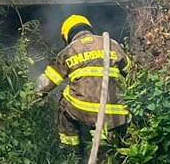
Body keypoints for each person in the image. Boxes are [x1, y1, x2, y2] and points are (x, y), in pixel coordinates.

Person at [34, 14, 130, 148]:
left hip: (88, 113)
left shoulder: (68, 51)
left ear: (67, 36)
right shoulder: (111, 44)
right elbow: (130, 72)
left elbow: (46, 82)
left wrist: (30, 95)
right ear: (88, 28)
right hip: (119, 112)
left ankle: (72, 148)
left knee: (64, 100)